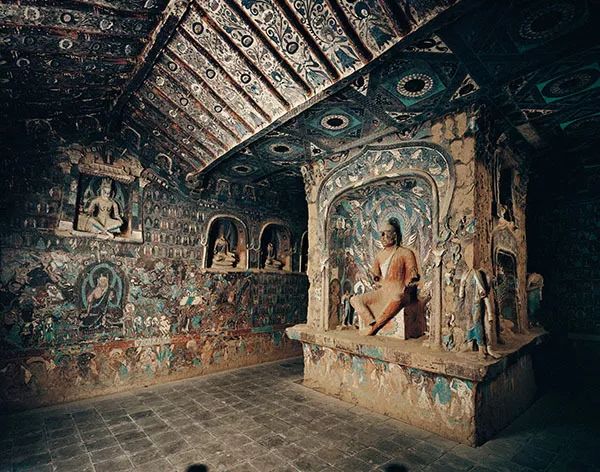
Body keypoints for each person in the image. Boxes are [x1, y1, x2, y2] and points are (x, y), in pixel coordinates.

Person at [350, 218, 419, 335]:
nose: (382, 238)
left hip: (399, 292)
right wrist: (369, 275)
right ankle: (370, 321)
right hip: (384, 291)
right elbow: (375, 275)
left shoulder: (405, 253)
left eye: (385, 234)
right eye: (381, 234)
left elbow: (412, 274)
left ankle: (373, 328)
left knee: (397, 296)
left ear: (395, 235)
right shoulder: (379, 256)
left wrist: (410, 281)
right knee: (355, 299)